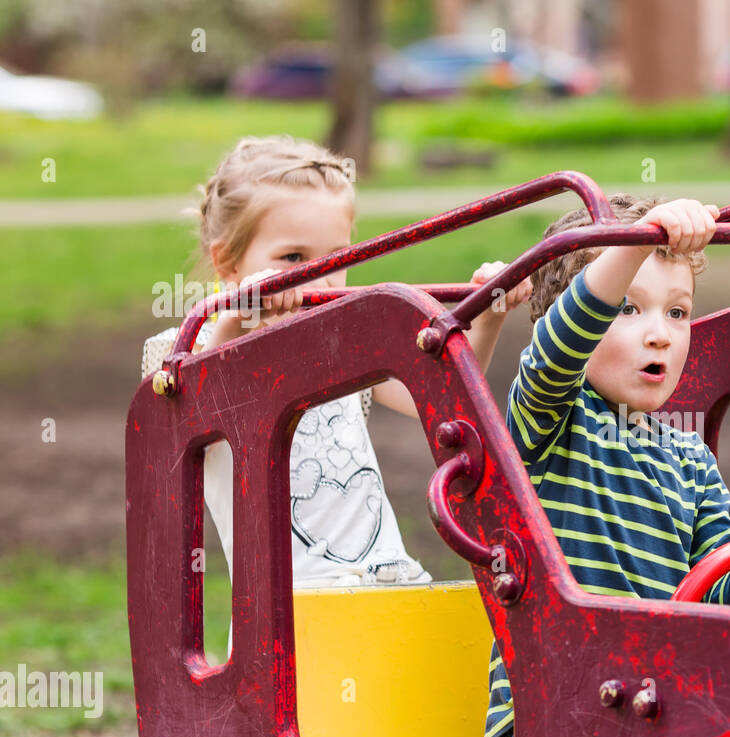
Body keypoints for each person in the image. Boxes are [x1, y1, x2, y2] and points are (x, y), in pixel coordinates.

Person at [484, 195, 730, 737]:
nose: (660, 335)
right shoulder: (547, 421)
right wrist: (635, 242)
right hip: (561, 708)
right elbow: (557, 352)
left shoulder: (689, 456)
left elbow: (716, 595)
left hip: (660, 707)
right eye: (628, 309)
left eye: (677, 312)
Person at [142, 134, 531, 604]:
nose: (319, 277)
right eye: (293, 258)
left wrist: (488, 314)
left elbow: (433, 393)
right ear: (227, 260)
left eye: (336, 258)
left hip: (390, 585)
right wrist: (240, 314)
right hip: (285, 612)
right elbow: (205, 409)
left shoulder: (340, 339)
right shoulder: (191, 345)